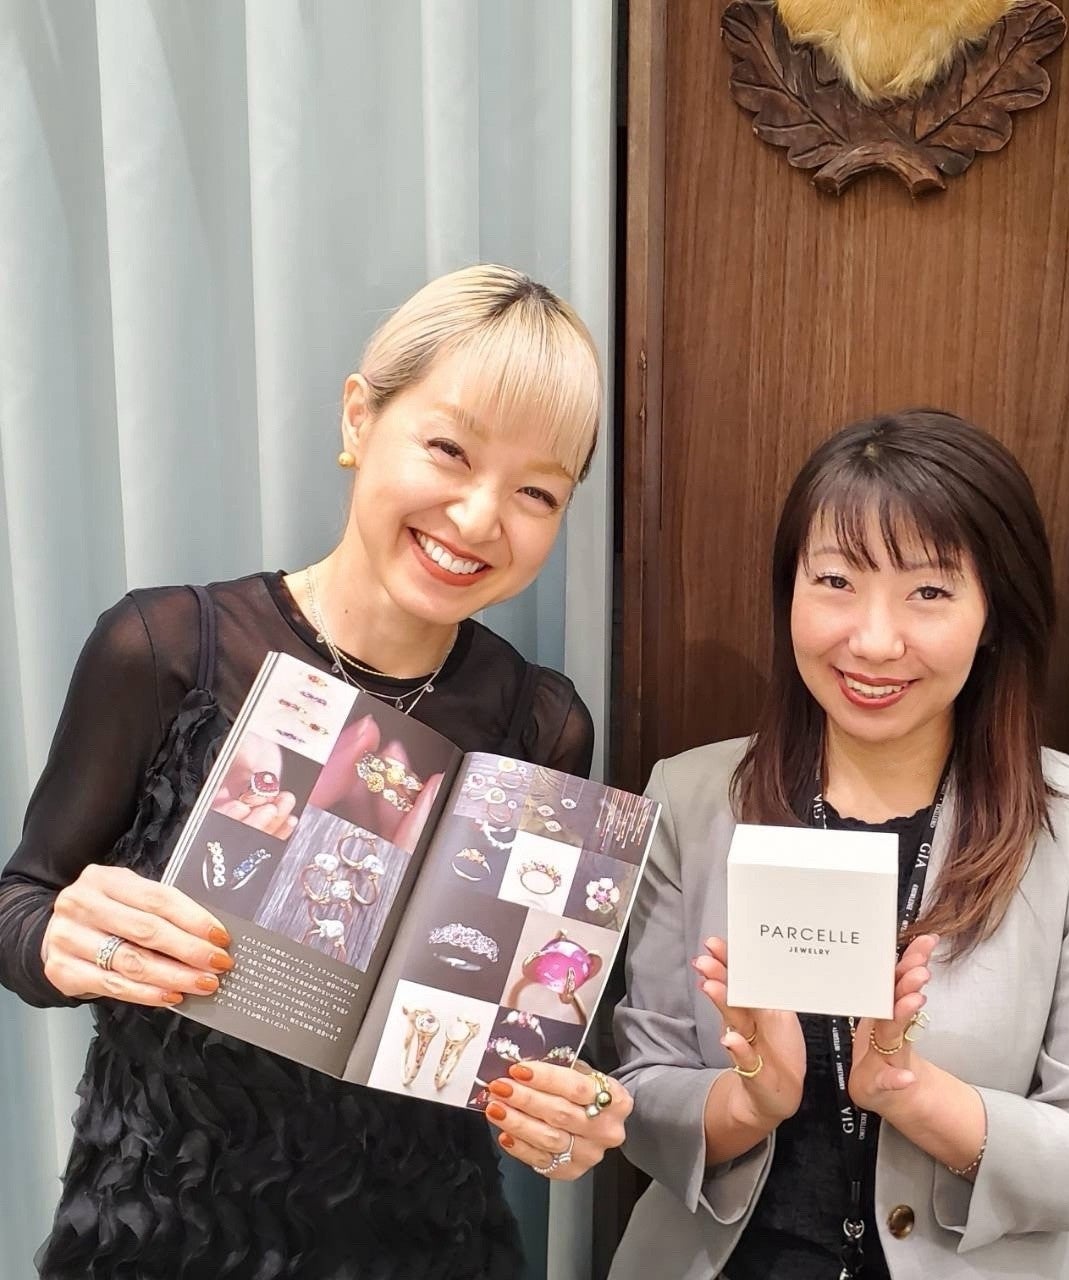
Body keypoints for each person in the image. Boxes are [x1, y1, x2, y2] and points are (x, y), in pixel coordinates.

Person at [0, 264, 632, 1280]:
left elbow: (514, 1035)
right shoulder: (166, 649)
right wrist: (64, 940)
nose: (480, 517)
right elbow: (21, 901)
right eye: (449, 449)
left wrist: (567, 1105)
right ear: (358, 417)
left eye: (535, 491)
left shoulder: (542, 723)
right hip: (164, 1231)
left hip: (425, 1243)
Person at [609, 410, 1069, 1280]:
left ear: (993, 614)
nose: (872, 640)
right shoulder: (689, 797)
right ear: (790, 591)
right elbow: (634, 1099)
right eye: (836, 580)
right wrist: (751, 1102)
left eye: (929, 593)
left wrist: (912, 1092)